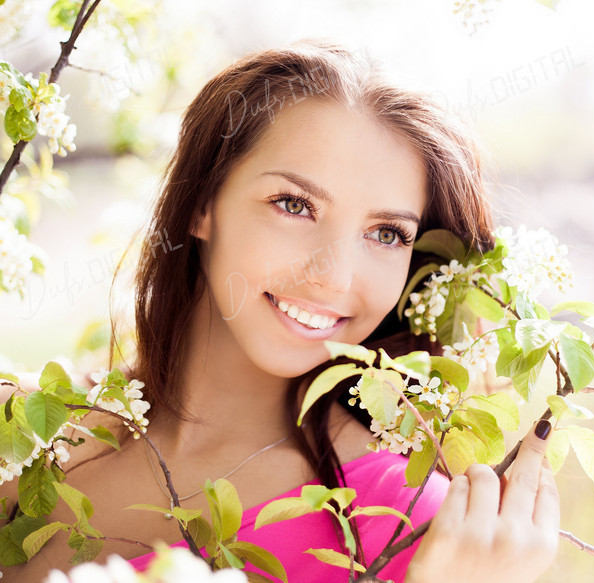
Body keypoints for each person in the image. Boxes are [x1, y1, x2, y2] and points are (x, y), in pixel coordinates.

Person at [0, 40, 559, 582]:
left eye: (387, 234)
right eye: (294, 205)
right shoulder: (26, 430)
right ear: (201, 202)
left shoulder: (404, 520)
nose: (335, 276)